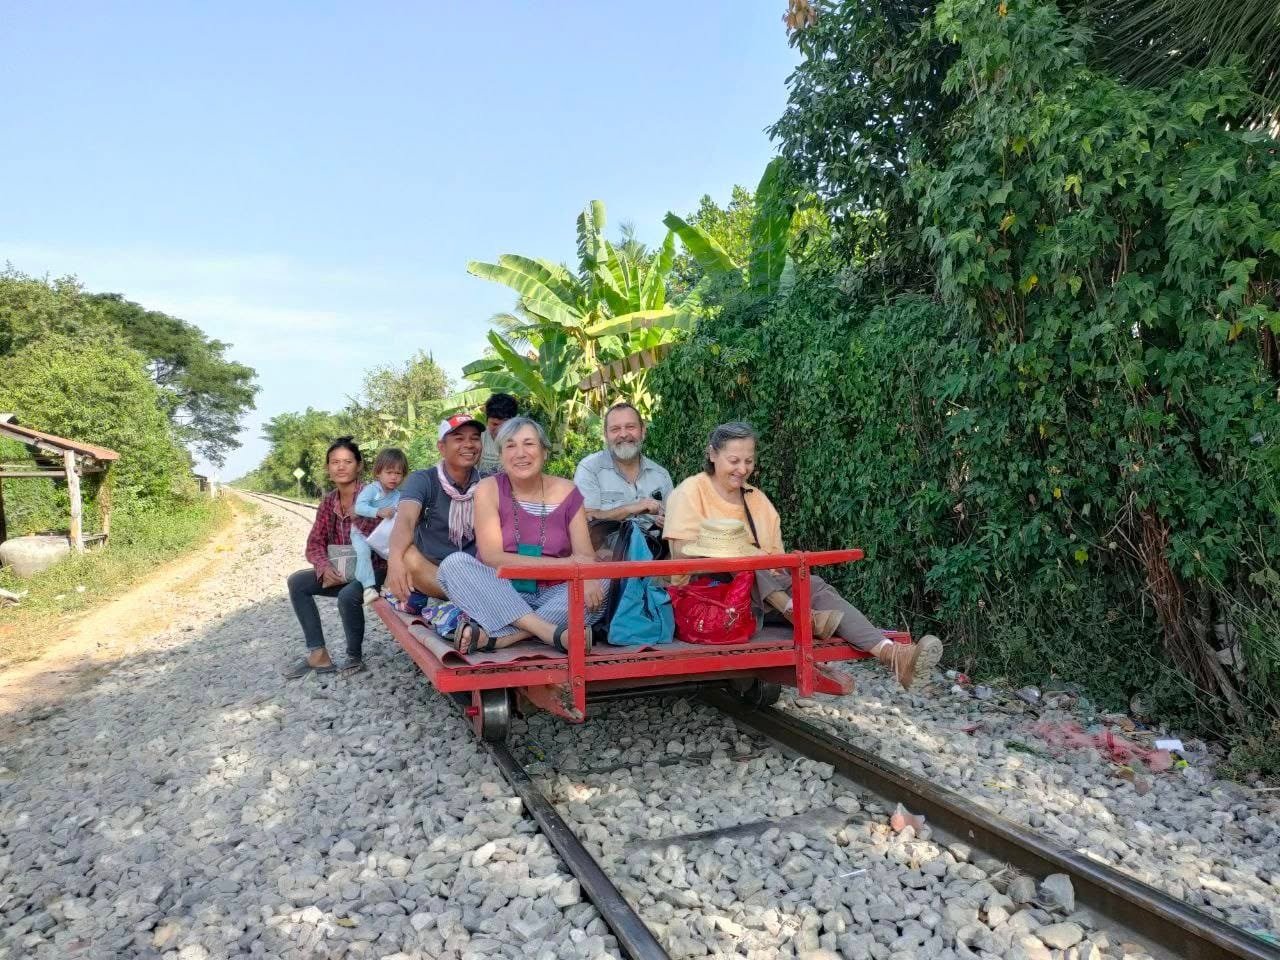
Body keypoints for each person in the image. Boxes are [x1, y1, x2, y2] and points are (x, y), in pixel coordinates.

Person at [663, 421, 944, 691]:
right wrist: (735, 555)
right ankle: (799, 615)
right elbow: (680, 555)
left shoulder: (757, 500)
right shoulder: (689, 492)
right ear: (713, 454)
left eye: (748, 461)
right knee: (746, 562)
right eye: (734, 461)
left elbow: (777, 562)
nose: (742, 469)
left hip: (758, 596)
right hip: (711, 597)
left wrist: (765, 565)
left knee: (814, 585)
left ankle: (893, 655)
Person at [436, 417, 608, 653]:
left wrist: (588, 576)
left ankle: (503, 637)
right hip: (502, 591)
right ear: (501, 455)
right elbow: (492, 557)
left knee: (605, 579)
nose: (520, 453)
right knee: (453, 565)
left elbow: (585, 557)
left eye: (529, 444)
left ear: (544, 452)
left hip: (554, 593)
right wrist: (567, 564)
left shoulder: (568, 490)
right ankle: (549, 632)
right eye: (510, 445)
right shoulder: (489, 488)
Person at [285, 437, 382, 677]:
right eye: (335, 462)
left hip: (375, 570)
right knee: (298, 582)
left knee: (349, 596)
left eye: (347, 461)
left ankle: (354, 656)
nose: (340, 467)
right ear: (328, 468)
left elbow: (389, 539)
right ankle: (319, 655)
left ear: (358, 466)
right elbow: (315, 543)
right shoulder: (328, 502)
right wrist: (323, 566)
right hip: (342, 569)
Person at [385, 415, 485, 604]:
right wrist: (394, 561)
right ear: (442, 447)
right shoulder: (424, 480)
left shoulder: (488, 483)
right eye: (459, 438)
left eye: (474, 438)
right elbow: (405, 519)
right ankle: (472, 600)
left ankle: (467, 599)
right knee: (406, 555)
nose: (469, 444)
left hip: (477, 571)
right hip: (432, 570)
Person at [574, 402, 673, 553]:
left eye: (630, 427)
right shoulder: (590, 469)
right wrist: (631, 508)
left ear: (643, 431)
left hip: (656, 560)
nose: (623, 434)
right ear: (606, 435)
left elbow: (675, 522)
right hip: (606, 566)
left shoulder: (660, 475)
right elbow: (585, 520)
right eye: (615, 429)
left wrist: (668, 523)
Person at [352, 447, 408, 605]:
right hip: (361, 531)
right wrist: (378, 511)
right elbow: (358, 507)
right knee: (363, 551)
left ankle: (389, 586)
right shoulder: (372, 489)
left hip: (381, 534)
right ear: (378, 473)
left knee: (396, 554)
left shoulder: (398, 495)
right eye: (389, 472)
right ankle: (368, 588)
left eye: (398, 474)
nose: (393, 477)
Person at [479, 393, 518, 474]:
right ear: (487, 421)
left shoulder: (520, 439)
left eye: (505, 425)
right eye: (494, 424)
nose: (499, 430)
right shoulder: (479, 437)